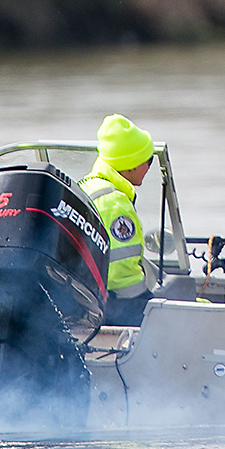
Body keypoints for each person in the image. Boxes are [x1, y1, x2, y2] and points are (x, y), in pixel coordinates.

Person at [78, 114, 156, 326]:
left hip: (87, 303)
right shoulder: (115, 203)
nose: (149, 167)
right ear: (131, 165)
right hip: (116, 309)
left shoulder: (87, 186)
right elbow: (123, 275)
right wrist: (151, 304)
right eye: (148, 160)